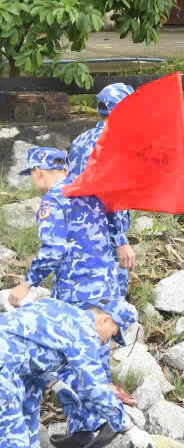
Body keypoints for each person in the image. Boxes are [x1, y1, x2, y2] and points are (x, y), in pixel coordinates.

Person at [9, 147, 137, 411]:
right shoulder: (90, 191)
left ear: (38, 171)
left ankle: (88, 423)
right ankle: (103, 417)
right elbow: (115, 222)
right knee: (96, 356)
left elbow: (54, 249)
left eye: (31, 174)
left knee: (72, 360)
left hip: (76, 289)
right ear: (65, 169)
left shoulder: (53, 200)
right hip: (106, 284)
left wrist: (26, 284)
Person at [0, 296, 129, 448]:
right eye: (112, 334)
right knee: (10, 438)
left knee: (29, 404)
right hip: (3, 366)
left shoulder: (58, 309)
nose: (107, 342)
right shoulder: (84, 332)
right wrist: (126, 425)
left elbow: (31, 351)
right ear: (105, 319)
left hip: (14, 366)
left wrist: (58, 386)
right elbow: (94, 388)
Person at [66, 83, 137, 297]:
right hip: (103, 236)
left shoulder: (81, 140)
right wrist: (120, 241)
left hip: (75, 229)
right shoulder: (114, 144)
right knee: (109, 302)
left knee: (82, 297)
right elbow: (109, 196)